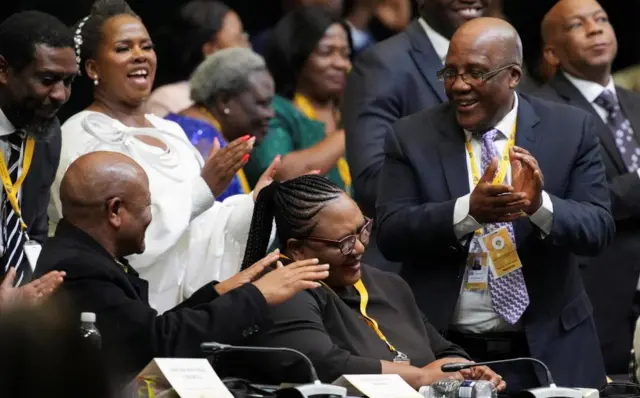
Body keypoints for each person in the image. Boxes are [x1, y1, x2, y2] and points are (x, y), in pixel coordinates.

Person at [376, 17, 613, 389]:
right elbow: (390, 232)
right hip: (445, 353)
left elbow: (598, 229)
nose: (458, 86)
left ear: (513, 75)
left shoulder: (571, 129)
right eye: (449, 72)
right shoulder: (409, 136)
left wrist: (539, 207)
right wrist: (466, 213)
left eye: (475, 73)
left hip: (551, 351)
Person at [48, 0, 278, 313]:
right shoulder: (79, 136)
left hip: (193, 305)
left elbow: (205, 229)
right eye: (123, 48)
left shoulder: (169, 130)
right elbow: (113, 240)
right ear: (92, 68)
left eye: (146, 46)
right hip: (123, 310)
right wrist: (203, 189)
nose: (139, 55)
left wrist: (259, 204)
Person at [35, 151, 329, 385]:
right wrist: (256, 296)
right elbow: (156, 345)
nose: (151, 218)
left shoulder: (83, 255)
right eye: (148, 206)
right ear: (115, 211)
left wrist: (220, 292)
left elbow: (147, 332)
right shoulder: (76, 268)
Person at [223, 175, 506, 390]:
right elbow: (323, 365)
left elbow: (444, 351)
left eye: (362, 232)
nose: (359, 248)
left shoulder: (389, 284)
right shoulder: (281, 291)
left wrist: (469, 370)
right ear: (297, 249)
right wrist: (421, 377)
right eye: (344, 242)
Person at [342, 0, 492, 273]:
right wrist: (472, 204)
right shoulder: (382, 64)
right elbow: (373, 178)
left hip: (501, 263)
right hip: (419, 269)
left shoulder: (499, 58)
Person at [535, 0, 640, 375]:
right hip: (596, 292)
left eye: (602, 20)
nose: (596, 29)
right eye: (578, 25)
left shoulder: (634, 102)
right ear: (552, 52)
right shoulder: (541, 111)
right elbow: (562, 203)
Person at [0, 12, 77, 285]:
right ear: (4, 71)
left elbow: (34, 229)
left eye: (67, 82)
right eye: (47, 80)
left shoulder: (48, 132)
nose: (60, 95)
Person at [245, 5, 351, 192]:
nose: (341, 63)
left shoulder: (345, 110)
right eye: (327, 52)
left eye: (346, 54)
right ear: (296, 55)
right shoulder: (274, 110)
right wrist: (347, 133)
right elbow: (278, 174)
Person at [166, 48, 275, 201]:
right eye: (262, 104)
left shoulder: (176, 123)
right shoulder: (207, 143)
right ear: (224, 101)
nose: (271, 114)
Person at [146, 0, 250, 117]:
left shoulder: (247, 93)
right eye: (238, 38)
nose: (247, 46)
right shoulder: (168, 101)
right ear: (210, 50)